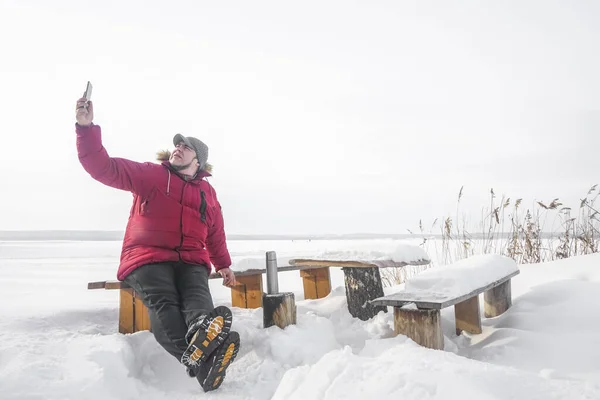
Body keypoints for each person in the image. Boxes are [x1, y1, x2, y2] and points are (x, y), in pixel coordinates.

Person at [74, 95, 240, 392]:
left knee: (197, 298)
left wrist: (223, 263)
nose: (178, 148)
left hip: (190, 259)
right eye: (176, 145)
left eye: (185, 146)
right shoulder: (151, 175)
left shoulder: (207, 192)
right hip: (146, 257)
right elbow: (103, 167)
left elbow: (215, 231)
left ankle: (202, 331)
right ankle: (204, 360)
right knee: (165, 303)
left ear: (198, 160)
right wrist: (85, 128)